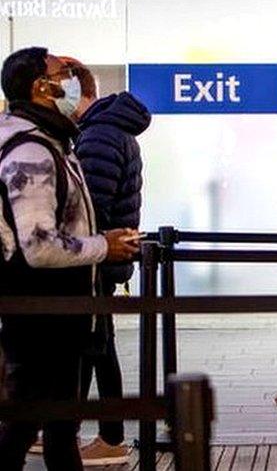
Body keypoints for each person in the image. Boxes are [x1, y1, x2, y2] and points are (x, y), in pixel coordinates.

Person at [0, 47, 139, 470]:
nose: (73, 80)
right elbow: (39, 245)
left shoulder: (51, 142)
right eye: (65, 73)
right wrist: (104, 246)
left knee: (55, 428)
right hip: (44, 314)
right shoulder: (32, 152)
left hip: (57, 311)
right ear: (42, 87)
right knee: (34, 424)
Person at [67, 59, 150, 466]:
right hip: (103, 257)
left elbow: (89, 208)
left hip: (93, 258)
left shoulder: (98, 136)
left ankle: (104, 437)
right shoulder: (113, 132)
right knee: (95, 348)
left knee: (95, 348)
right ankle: (84, 433)